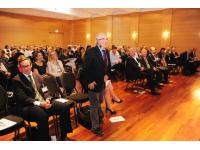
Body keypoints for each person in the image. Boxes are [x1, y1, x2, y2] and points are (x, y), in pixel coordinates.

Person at [12, 55, 73, 140]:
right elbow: (23, 98)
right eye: (23, 66)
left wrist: (48, 99)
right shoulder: (17, 80)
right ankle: (45, 139)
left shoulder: (36, 75)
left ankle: (64, 136)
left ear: (31, 65)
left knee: (64, 106)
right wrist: (40, 103)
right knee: (42, 115)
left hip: (43, 102)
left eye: (28, 66)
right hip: (28, 106)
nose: (26, 68)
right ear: (20, 68)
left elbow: (45, 90)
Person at [83, 32, 111, 137]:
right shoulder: (91, 51)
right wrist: (89, 81)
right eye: (103, 39)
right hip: (93, 83)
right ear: (98, 41)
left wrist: (107, 75)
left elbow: (108, 66)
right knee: (94, 105)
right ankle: (95, 127)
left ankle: (99, 117)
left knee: (100, 101)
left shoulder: (106, 51)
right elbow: (85, 68)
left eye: (106, 39)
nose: (105, 41)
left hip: (102, 82)